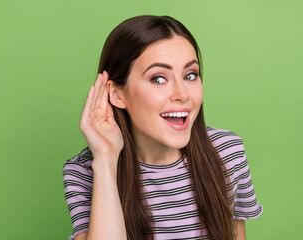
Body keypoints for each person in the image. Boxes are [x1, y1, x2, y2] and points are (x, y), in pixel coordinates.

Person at [63, 15, 263, 240]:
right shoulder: (86, 171)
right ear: (117, 94)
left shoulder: (227, 152)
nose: (182, 94)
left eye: (190, 75)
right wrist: (106, 159)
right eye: (158, 79)